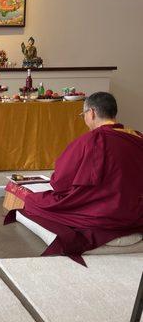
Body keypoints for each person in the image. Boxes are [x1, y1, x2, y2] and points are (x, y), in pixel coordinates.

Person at [23, 92, 143, 231]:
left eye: (83, 114)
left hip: (102, 212)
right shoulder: (137, 137)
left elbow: (60, 183)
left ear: (91, 113)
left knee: (32, 201)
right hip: (134, 210)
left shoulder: (90, 140)